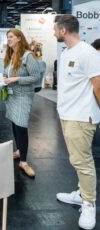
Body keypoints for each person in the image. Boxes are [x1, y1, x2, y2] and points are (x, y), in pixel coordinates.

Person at [53, 15, 100, 230]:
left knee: (82, 161)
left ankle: (89, 203)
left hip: (81, 116)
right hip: (67, 114)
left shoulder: (87, 53)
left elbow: (98, 86)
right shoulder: (66, 53)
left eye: (55, 29)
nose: (53, 32)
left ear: (63, 30)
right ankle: (82, 194)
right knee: (76, 159)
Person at [3, 29, 40, 178]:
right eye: (8, 37)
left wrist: (16, 79)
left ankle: (24, 161)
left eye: (11, 37)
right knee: (14, 122)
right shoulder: (11, 55)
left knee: (21, 125)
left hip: (23, 96)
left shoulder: (28, 56)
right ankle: (19, 151)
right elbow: (9, 74)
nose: (8, 39)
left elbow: (36, 77)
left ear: (19, 38)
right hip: (11, 95)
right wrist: (4, 79)